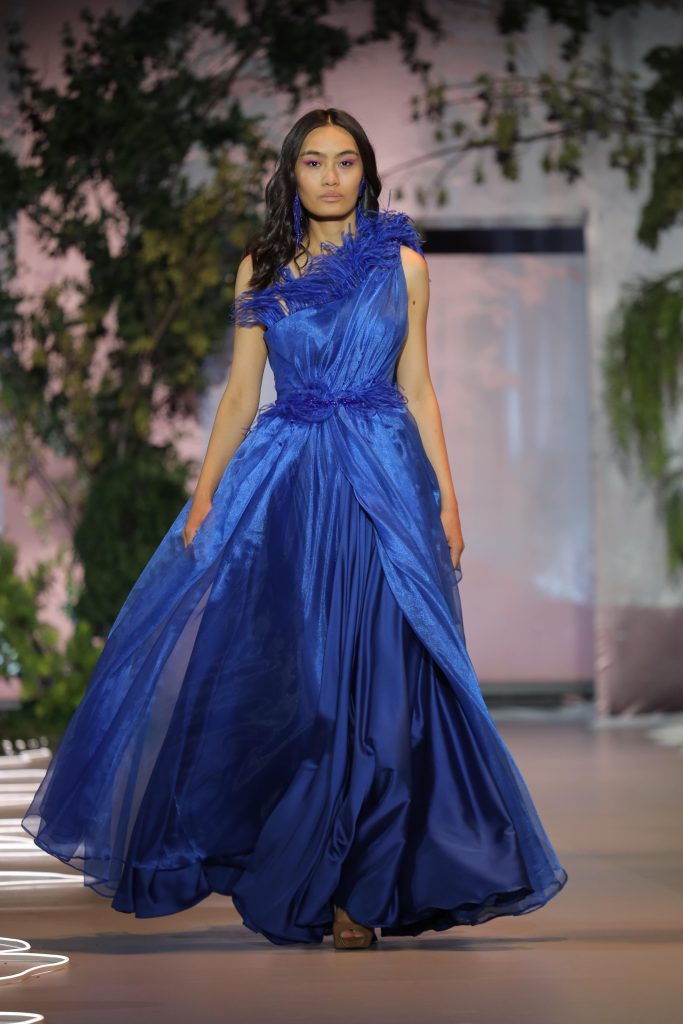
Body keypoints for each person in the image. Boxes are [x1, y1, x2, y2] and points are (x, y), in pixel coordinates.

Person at [22, 107, 568, 950]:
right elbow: (242, 395)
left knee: (387, 688)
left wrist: (448, 503)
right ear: (291, 174)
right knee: (311, 693)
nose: (330, 176)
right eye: (313, 161)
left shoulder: (402, 264)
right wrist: (205, 496)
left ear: (365, 173)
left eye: (345, 161)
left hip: (385, 483)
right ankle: (313, 870)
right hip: (293, 489)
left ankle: (360, 892)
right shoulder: (262, 269)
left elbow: (418, 387)